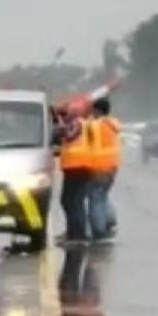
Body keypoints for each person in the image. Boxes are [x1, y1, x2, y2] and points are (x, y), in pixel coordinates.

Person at [55, 99, 94, 243]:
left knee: (72, 201)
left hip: (78, 166)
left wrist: (59, 122)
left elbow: (67, 136)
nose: (64, 115)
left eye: (65, 112)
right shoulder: (76, 123)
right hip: (73, 167)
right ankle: (73, 232)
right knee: (69, 201)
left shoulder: (77, 123)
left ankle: (77, 234)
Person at [87, 97, 120, 241]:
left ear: (98, 110)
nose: (91, 113)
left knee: (95, 199)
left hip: (99, 167)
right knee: (103, 196)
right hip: (112, 166)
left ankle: (98, 231)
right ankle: (110, 221)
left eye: (93, 110)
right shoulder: (111, 125)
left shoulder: (96, 126)